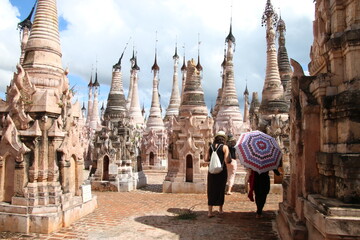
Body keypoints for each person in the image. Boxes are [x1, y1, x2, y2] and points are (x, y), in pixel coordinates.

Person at [206, 131, 230, 218]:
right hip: (222, 171)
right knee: (221, 189)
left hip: (211, 171)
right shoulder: (225, 147)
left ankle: (209, 212)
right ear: (224, 139)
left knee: (211, 189)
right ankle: (220, 209)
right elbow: (227, 160)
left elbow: (206, 158)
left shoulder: (210, 147)